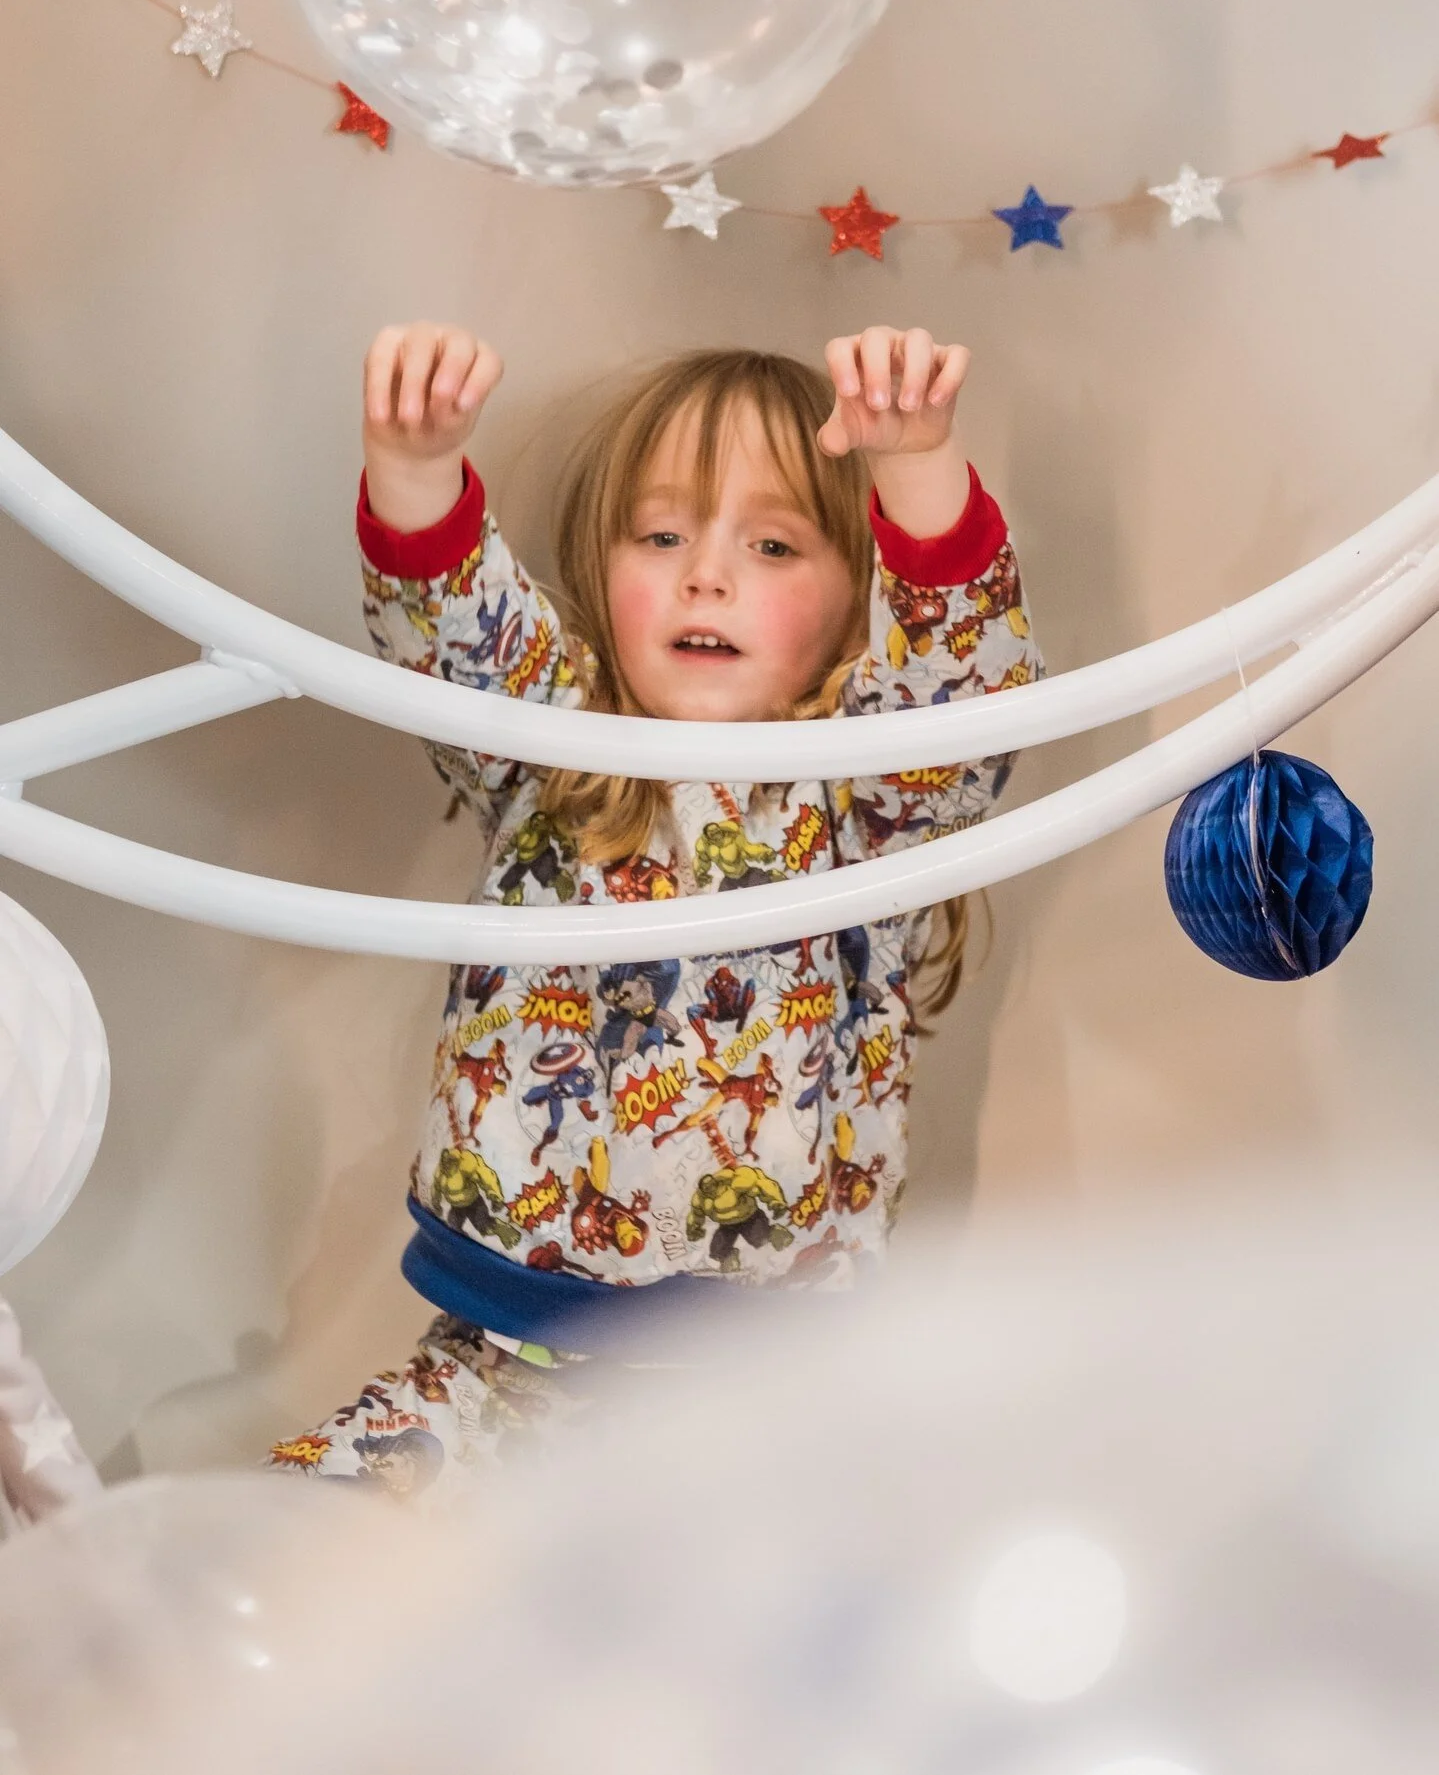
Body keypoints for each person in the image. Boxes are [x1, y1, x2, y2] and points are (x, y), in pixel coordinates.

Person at [266, 322, 1041, 1499]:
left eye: (772, 544)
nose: (705, 574)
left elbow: (963, 689)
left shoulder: (869, 796)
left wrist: (916, 464)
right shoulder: (554, 753)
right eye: (663, 533)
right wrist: (412, 465)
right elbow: (452, 642)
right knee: (287, 1534)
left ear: (852, 604)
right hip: (493, 1369)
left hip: (765, 1410)